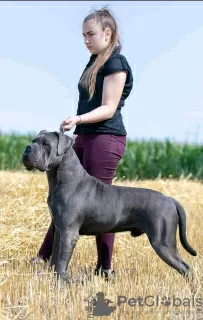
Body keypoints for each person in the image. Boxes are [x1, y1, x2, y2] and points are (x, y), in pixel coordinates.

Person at [31, 7, 133, 281]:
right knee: (64, 201)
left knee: (103, 206)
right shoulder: (94, 62)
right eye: (83, 35)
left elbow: (109, 108)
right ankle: (43, 258)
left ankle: (105, 267)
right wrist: (74, 127)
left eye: (91, 34)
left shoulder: (115, 63)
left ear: (107, 33)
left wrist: (78, 118)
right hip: (84, 137)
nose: (86, 40)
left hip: (105, 138)